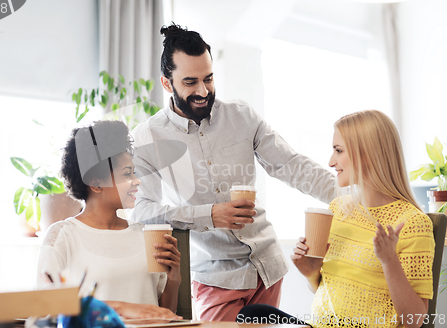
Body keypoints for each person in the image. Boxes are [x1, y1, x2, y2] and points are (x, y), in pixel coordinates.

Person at [129, 23, 336, 321]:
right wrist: (209, 215)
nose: (203, 91)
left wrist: (350, 195)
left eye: (209, 79)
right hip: (214, 277)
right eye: (190, 82)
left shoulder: (241, 116)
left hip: (267, 266)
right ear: (166, 83)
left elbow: (291, 166)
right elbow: (143, 210)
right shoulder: (147, 138)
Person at [239, 110, 435, 328]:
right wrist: (312, 273)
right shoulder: (339, 210)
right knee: (252, 314)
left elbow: (414, 321)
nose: (331, 162)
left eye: (338, 151)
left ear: (367, 153)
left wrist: (389, 261)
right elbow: (327, 291)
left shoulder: (412, 223)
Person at [36, 120, 182, 320]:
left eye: (134, 173)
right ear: (95, 183)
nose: (136, 181)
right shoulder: (63, 236)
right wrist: (123, 308)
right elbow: (47, 308)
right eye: (126, 174)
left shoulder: (144, 235)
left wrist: (174, 279)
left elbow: (165, 314)